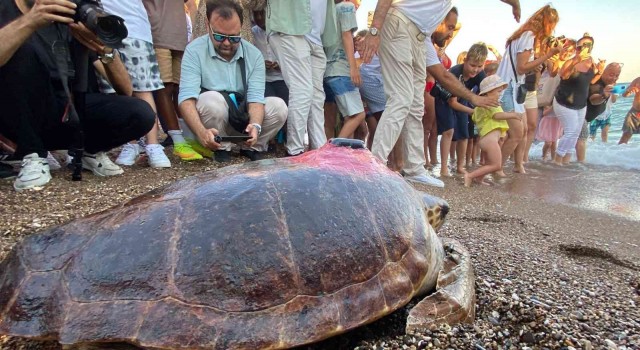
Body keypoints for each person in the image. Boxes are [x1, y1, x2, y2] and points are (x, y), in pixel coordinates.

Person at [361, 1, 521, 188]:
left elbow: (443, 75)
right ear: (439, 20)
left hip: (416, 36)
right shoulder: (414, 13)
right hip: (399, 24)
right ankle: (374, 167)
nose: (451, 34)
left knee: (415, 107)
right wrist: (374, 31)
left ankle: (415, 169)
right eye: (450, 27)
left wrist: (473, 98)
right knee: (401, 98)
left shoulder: (425, 38)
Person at [0, 0, 155, 191]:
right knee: (21, 50)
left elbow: (125, 89)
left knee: (140, 113)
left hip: (66, 113)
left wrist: (103, 48)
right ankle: (32, 154)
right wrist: (30, 21)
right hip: (19, 115)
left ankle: (87, 152)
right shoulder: (6, 8)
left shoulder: (67, 19)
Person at [178, 0, 287, 162]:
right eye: (220, 36)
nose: (227, 43)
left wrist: (255, 125)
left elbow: (256, 98)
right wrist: (201, 133)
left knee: (279, 107)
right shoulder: (194, 50)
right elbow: (186, 99)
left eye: (234, 38)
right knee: (211, 100)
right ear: (208, 26)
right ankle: (219, 146)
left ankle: (250, 145)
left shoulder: (253, 54)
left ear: (241, 29)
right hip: (212, 118)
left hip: (241, 115)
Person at [99, 0, 172, 168]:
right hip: (102, 28)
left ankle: (152, 144)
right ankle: (130, 143)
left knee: (143, 88)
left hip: (134, 27)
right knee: (116, 90)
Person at [496, 4, 563, 174]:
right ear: (545, 23)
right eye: (552, 25)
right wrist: (548, 55)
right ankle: (497, 168)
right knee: (517, 133)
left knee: (524, 129)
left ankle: (518, 166)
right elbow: (521, 67)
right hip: (509, 88)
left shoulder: (523, 36)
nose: (552, 30)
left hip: (514, 88)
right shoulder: (528, 36)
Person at [266, 0, 339, 156]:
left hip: (317, 36)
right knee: (302, 90)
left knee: (317, 96)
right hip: (288, 28)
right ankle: (294, 151)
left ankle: (318, 151)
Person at [142, 0, 201, 161]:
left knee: (181, 88)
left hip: (179, 31)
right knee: (165, 87)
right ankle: (178, 141)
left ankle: (189, 136)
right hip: (157, 30)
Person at [435, 42, 487, 177]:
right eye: (472, 65)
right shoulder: (454, 72)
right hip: (444, 98)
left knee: (464, 134)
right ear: (465, 61)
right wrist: (473, 111)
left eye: (479, 66)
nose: (475, 70)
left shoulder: (480, 75)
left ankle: (460, 166)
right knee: (449, 131)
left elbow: (486, 93)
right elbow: (452, 103)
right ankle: (443, 168)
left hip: (462, 98)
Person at [465, 75, 521, 187]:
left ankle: (479, 179)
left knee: (489, 163)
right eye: (498, 91)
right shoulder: (491, 102)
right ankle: (470, 176)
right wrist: (513, 115)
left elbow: (476, 118)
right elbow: (497, 115)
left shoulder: (480, 106)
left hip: (486, 139)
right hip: (490, 140)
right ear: (488, 92)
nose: (500, 94)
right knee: (496, 165)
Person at [323, 0, 365, 139]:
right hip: (340, 68)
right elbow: (346, 34)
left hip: (326, 69)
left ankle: (341, 155)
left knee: (344, 118)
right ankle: (333, 149)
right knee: (358, 115)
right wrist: (353, 68)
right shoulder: (347, 7)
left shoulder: (327, 9)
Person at [552, 36, 596, 165]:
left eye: (583, 46)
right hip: (564, 102)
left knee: (576, 133)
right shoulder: (571, 61)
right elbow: (563, 75)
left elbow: (591, 81)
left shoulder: (591, 62)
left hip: (581, 104)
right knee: (570, 131)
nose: (579, 49)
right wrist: (576, 60)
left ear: (590, 48)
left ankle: (566, 162)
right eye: (578, 47)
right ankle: (557, 160)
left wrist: (600, 71)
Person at [251, 9, 288, 104]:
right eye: (256, 14)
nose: (259, 18)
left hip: (283, 79)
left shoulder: (284, 31)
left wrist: (281, 65)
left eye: (262, 13)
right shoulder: (251, 34)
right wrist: (261, 64)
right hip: (263, 81)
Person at [587, 63, 622, 143]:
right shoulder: (597, 83)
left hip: (605, 114)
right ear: (604, 72)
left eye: (616, 76)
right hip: (591, 116)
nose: (614, 78)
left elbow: (613, 100)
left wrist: (613, 91)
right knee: (590, 136)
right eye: (611, 75)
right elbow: (593, 100)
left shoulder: (613, 86)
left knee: (604, 135)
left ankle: (604, 151)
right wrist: (604, 94)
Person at [618, 76, 640, 144]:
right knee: (626, 135)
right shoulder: (637, 80)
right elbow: (624, 94)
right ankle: (618, 153)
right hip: (634, 113)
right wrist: (629, 90)